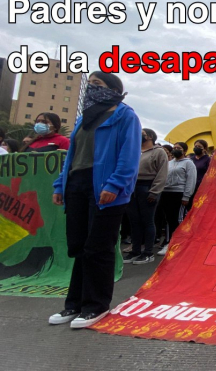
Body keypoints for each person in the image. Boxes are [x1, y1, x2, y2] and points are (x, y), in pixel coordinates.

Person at [49, 71, 141, 329]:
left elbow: (129, 156)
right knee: (78, 246)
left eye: (97, 84)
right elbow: (71, 157)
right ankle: (74, 304)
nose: (91, 89)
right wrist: (60, 184)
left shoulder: (125, 115)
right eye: (89, 85)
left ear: (113, 88)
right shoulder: (83, 119)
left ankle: (96, 305)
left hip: (106, 186)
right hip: (77, 184)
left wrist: (114, 184)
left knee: (98, 248)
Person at [122, 128, 168, 265]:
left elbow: (162, 173)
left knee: (147, 221)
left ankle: (148, 252)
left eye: (142, 133)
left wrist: (154, 191)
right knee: (134, 221)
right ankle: (135, 251)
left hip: (147, 188)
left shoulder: (159, 152)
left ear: (149, 136)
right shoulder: (135, 151)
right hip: (132, 188)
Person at [157, 142, 196, 256]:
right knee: (168, 220)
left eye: (178, 148)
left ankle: (179, 243)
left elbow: (191, 180)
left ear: (184, 151)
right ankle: (169, 243)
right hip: (166, 193)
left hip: (179, 193)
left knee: (178, 219)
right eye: (174, 148)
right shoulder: (169, 163)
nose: (175, 150)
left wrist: (186, 196)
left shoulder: (189, 163)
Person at [188, 139, 211, 210]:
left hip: (201, 187)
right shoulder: (190, 160)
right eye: (195, 146)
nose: (197, 148)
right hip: (190, 187)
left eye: (199, 146)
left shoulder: (208, 159)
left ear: (204, 149)